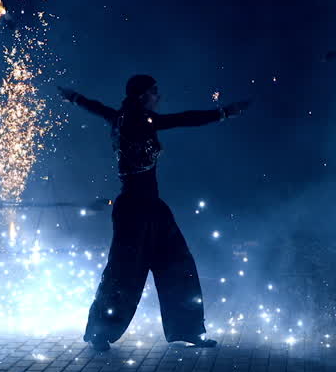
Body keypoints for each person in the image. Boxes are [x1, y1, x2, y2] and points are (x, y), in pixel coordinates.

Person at [58, 75, 249, 351]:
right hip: (133, 210)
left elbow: (96, 107)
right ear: (141, 96)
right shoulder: (136, 121)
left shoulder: (124, 116)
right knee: (124, 273)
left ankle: (188, 329)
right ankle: (100, 332)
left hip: (153, 207)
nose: (159, 96)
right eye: (154, 92)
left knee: (178, 265)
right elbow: (183, 118)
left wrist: (74, 97)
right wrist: (223, 113)